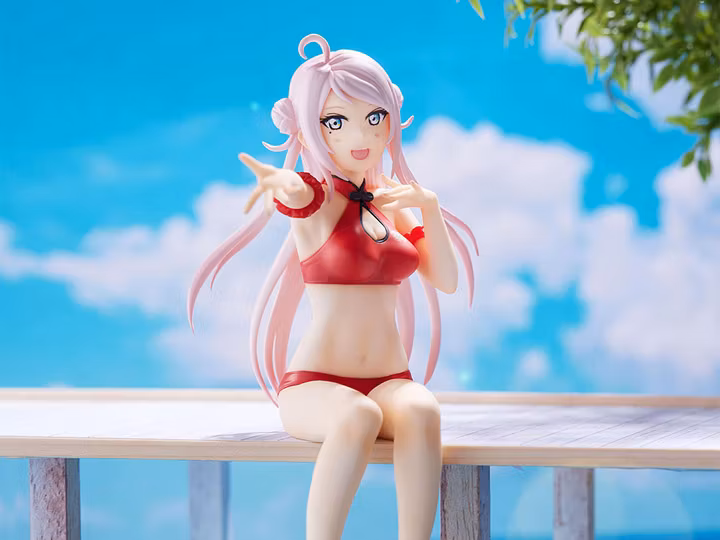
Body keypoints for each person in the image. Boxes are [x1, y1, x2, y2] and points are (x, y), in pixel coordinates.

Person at [187, 33, 477, 540]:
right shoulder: (317, 197)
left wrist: (428, 208)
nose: (360, 134)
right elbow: (294, 192)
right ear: (308, 128)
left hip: (391, 379)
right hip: (315, 385)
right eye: (335, 122)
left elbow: (446, 281)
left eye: (375, 117)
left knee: (422, 409)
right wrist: (278, 181)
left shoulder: (393, 201)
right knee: (357, 417)